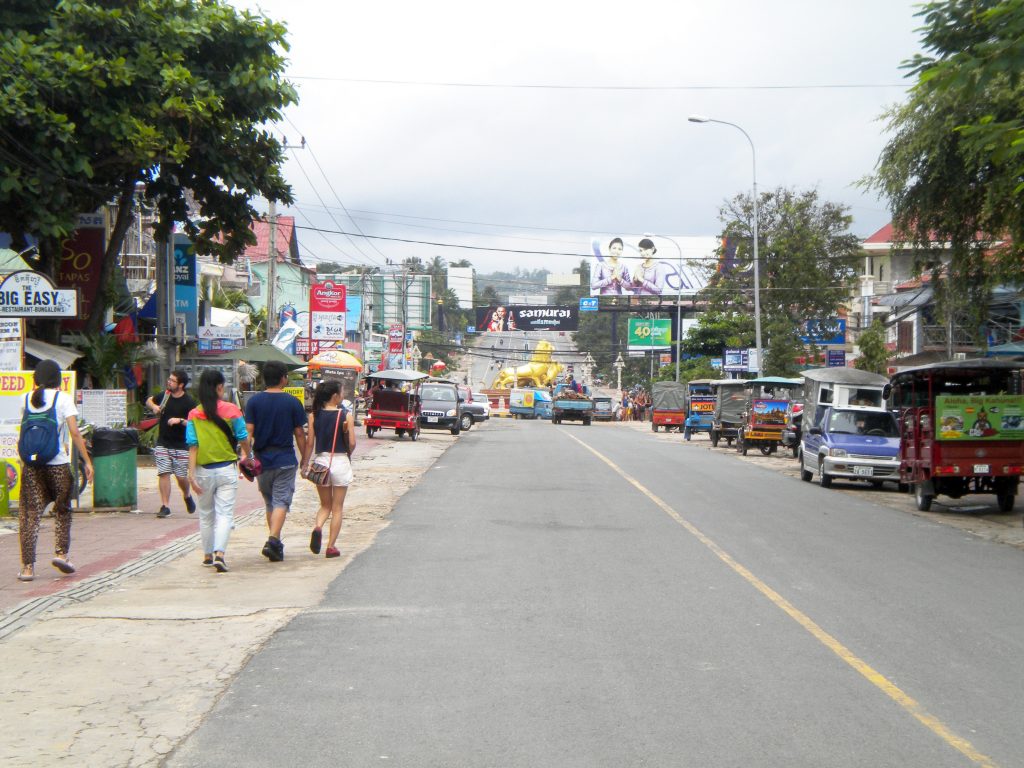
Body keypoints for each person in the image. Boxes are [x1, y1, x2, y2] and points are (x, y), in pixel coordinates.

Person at [17, 359, 94, 582]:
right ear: (57, 379)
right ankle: (61, 554)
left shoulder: (26, 399)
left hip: (32, 466)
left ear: (37, 378)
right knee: (62, 510)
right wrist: (87, 461)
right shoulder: (63, 400)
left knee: (29, 516)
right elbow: (75, 433)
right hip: (58, 464)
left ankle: (28, 568)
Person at [186, 369, 252, 573]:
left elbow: (193, 445)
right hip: (226, 470)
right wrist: (247, 455)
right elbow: (242, 437)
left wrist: (191, 474)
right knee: (224, 514)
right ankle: (220, 554)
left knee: (206, 514)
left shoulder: (194, 414)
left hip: (203, 470)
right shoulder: (232, 410)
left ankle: (207, 555)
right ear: (219, 387)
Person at [245, 361, 309, 562]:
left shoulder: (254, 402)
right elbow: (299, 433)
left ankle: (276, 543)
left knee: (269, 502)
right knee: (281, 500)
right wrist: (305, 458)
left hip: (262, 460)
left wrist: (247, 456)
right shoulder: (292, 402)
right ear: (283, 378)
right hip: (285, 459)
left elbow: (248, 432)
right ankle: (273, 539)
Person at [303, 380, 356, 559]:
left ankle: (318, 527)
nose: (343, 395)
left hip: (321, 462)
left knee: (325, 505)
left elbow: (310, 443)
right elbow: (352, 443)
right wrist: (349, 453)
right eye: (342, 392)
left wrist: (304, 463)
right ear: (335, 396)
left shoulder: (314, 415)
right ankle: (331, 546)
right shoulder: (345, 415)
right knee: (337, 508)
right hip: (340, 461)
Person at [146, 370, 197, 518]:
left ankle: (187, 495)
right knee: (164, 473)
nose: (169, 382)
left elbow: (194, 423)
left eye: (173, 381)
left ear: (181, 385)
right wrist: (154, 407)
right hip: (163, 442)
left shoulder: (189, 402)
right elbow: (149, 400)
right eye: (169, 379)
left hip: (181, 444)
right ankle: (165, 505)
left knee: (181, 477)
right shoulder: (165, 396)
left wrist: (179, 421)